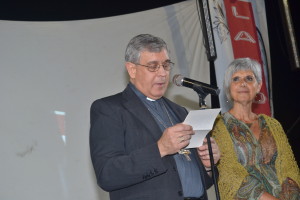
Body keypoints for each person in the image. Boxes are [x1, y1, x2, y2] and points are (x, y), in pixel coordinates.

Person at [89, 34, 220, 200]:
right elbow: (107, 174)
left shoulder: (180, 112)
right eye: (153, 66)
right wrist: (161, 148)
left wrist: (207, 166)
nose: (163, 73)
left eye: (166, 65)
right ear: (132, 69)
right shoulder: (110, 109)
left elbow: (192, 179)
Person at [211, 57, 300, 200]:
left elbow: (289, 167)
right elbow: (230, 173)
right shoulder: (218, 126)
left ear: (258, 86)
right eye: (236, 79)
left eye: (249, 78)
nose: (242, 83)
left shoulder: (273, 124)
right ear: (229, 87)